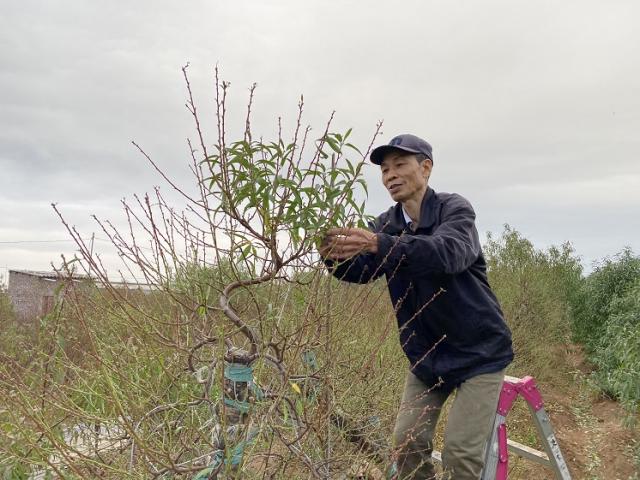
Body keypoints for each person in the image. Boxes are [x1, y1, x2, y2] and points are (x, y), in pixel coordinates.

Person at [318, 134, 514, 479]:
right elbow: (361, 272)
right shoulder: (385, 225)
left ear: (425, 167)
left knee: (460, 454)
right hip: (426, 357)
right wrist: (332, 255)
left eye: (400, 165)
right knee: (407, 444)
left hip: (479, 353)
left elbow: (446, 255)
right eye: (384, 169)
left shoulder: (455, 211)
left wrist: (380, 244)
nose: (390, 175)